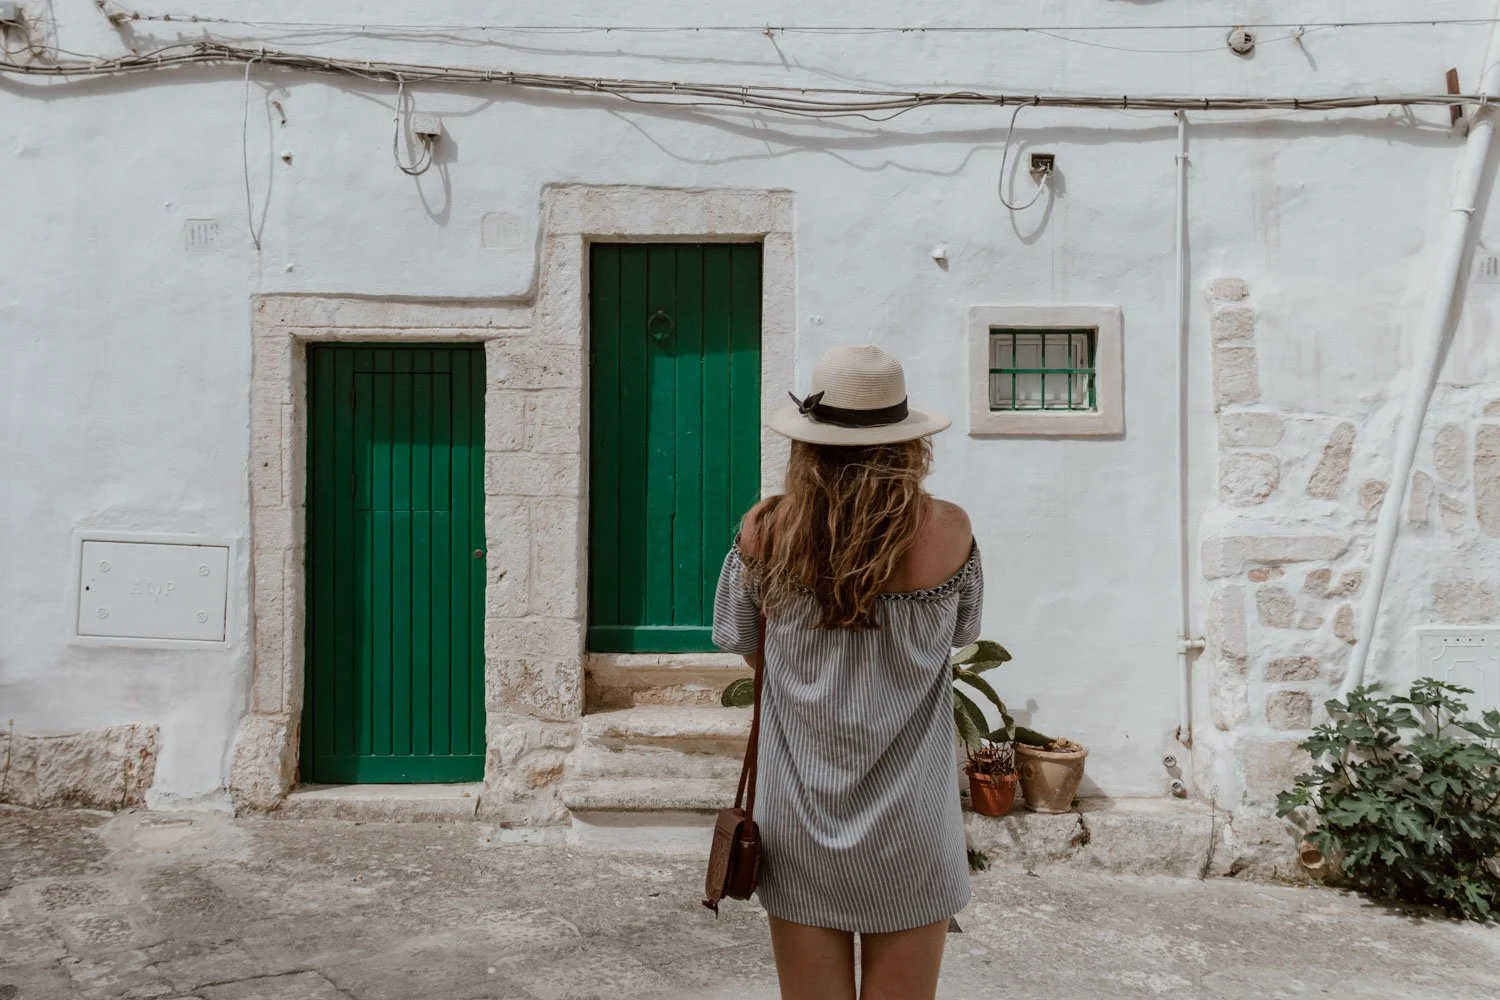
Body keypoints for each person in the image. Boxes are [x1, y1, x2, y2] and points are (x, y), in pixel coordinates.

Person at [712, 344, 982, 1000]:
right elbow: (959, 638)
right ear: (908, 442)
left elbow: (750, 649)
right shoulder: (950, 530)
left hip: (800, 816)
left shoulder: (764, 531)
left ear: (808, 444)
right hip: (914, 821)